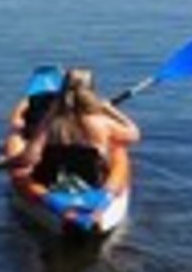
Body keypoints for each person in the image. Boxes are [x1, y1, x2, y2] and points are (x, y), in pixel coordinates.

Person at [9, 66, 140, 189]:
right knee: (116, 147)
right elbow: (134, 134)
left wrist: (8, 163)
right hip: (91, 181)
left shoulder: (49, 122)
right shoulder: (101, 122)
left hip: (50, 180)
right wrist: (110, 110)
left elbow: (29, 157)